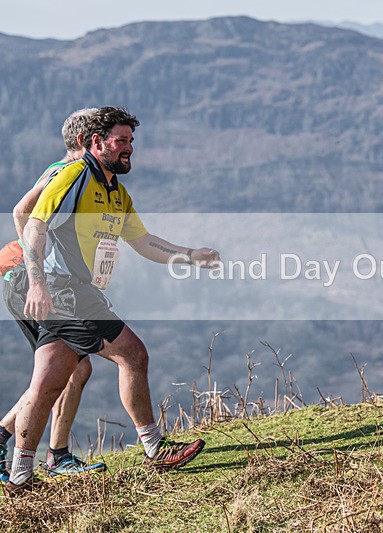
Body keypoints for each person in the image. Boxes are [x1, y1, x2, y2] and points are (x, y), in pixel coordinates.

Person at [4, 106, 221, 494]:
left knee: (52, 380)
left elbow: (143, 242)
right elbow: (34, 223)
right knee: (132, 354)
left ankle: (20, 476)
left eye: (131, 142)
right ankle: (154, 448)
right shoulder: (72, 175)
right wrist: (37, 283)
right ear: (96, 142)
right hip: (65, 290)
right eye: (121, 141)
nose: (128, 149)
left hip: (76, 290)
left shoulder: (115, 192)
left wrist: (190, 255)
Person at [0, 109, 106, 484]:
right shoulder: (66, 171)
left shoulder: (76, 175)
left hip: (37, 281)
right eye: (101, 135)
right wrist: (39, 268)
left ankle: (48, 452)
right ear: (84, 141)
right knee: (67, 370)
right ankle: (52, 455)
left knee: (75, 368)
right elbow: (22, 210)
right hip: (30, 282)